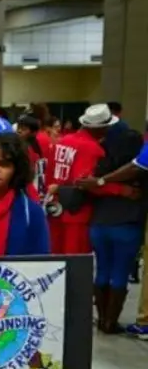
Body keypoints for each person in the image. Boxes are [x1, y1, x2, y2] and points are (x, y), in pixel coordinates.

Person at [72, 104, 146, 334]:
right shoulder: (138, 175)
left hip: (98, 224)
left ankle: (101, 318)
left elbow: (88, 185)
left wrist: (102, 182)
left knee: (102, 270)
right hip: (127, 224)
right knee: (120, 273)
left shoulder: (101, 162)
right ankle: (111, 323)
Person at [47, 104, 133, 256]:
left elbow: (50, 174)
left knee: (55, 261)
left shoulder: (62, 141)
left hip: (54, 209)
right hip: (78, 214)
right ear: (99, 128)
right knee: (76, 265)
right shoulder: (93, 149)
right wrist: (122, 190)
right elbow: (88, 184)